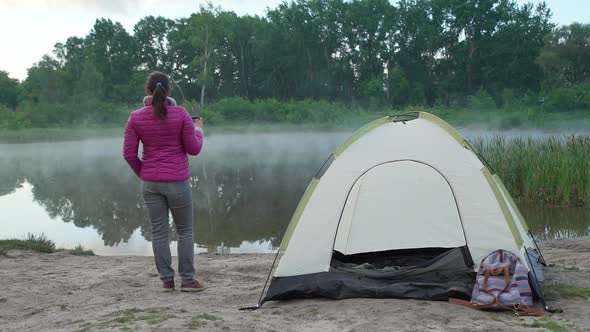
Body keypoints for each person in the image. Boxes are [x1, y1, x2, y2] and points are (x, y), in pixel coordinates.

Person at [123, 71, 205, 292]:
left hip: (150, 183)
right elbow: (194, 149)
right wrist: (198, 130)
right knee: (185, 231)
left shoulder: (135, 117)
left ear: (147, 91)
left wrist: (145, 174)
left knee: (159, 232)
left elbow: (129, 154)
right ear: (169, 91)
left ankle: (167, 281)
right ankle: (188, 281)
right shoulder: (181, 114)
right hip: (177, 181)